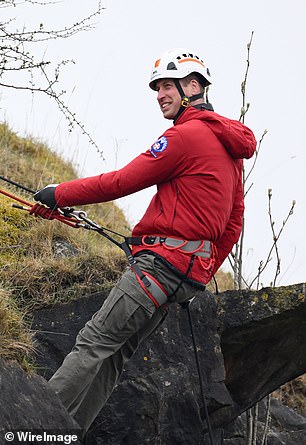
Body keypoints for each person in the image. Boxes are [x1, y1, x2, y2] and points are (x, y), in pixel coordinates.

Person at [32, 48, 256, 435]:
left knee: (92, 344)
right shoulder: (229, 149)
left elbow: (122, 181)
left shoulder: (185, 136)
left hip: (156, 269)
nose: (159, 95)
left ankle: (32, 427)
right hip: (180, 280)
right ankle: (64, 434)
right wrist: (199, 272)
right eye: (157, 88)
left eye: (167, 86)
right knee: (114, 357)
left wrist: (59, 194)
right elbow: (233, 223)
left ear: (192, 86)